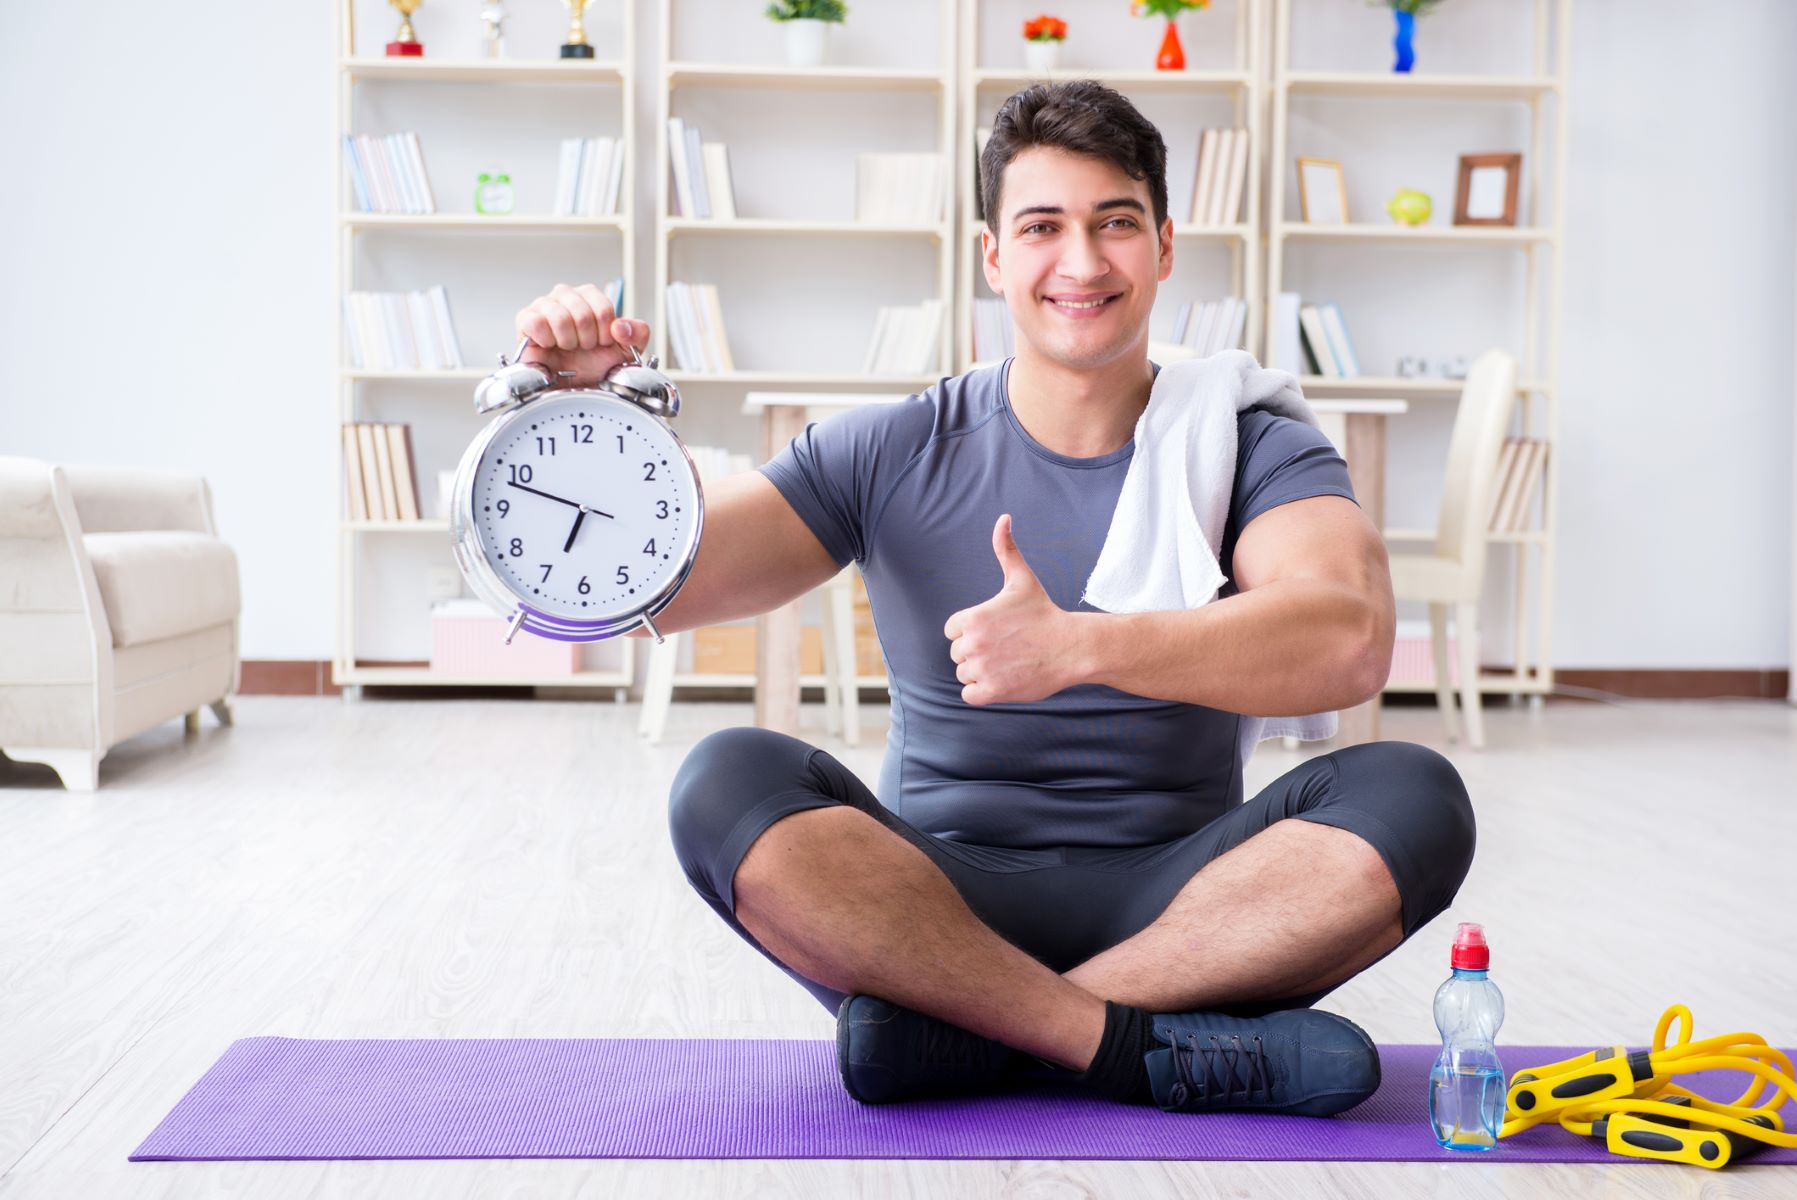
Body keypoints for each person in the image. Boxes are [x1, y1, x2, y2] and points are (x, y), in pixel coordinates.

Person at [512, 81, 1475, 1116]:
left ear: (1163, 248)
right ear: (992, 257)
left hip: (1192, 908)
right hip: (931, 903)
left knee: (1418, 797)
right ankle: (1131, 1047)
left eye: (1116, 223)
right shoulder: (892, 448)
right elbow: (660, 581)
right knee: (722, 780)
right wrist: (580, 422)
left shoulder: (1251, 441)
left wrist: (1086, 648)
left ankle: (974, 1036)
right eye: (1043, 228)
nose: (1082, 261)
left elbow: (1349, 639)